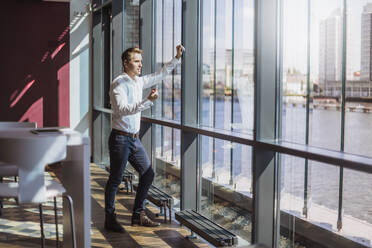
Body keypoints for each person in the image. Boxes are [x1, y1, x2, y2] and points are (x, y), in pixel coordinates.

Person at [104, 45, 185, 232]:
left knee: (148, 173)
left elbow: (160, 74)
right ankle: (110, 217)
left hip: (134, 139)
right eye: (136, 61)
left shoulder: (138, 82)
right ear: (126, 63)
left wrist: (177, 57)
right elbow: (121, 110)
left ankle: (138, 215)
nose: (140, 65)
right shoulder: (118, 84)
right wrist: (148, 101)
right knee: (115, 179)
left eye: (141, 61)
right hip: (120, 139)